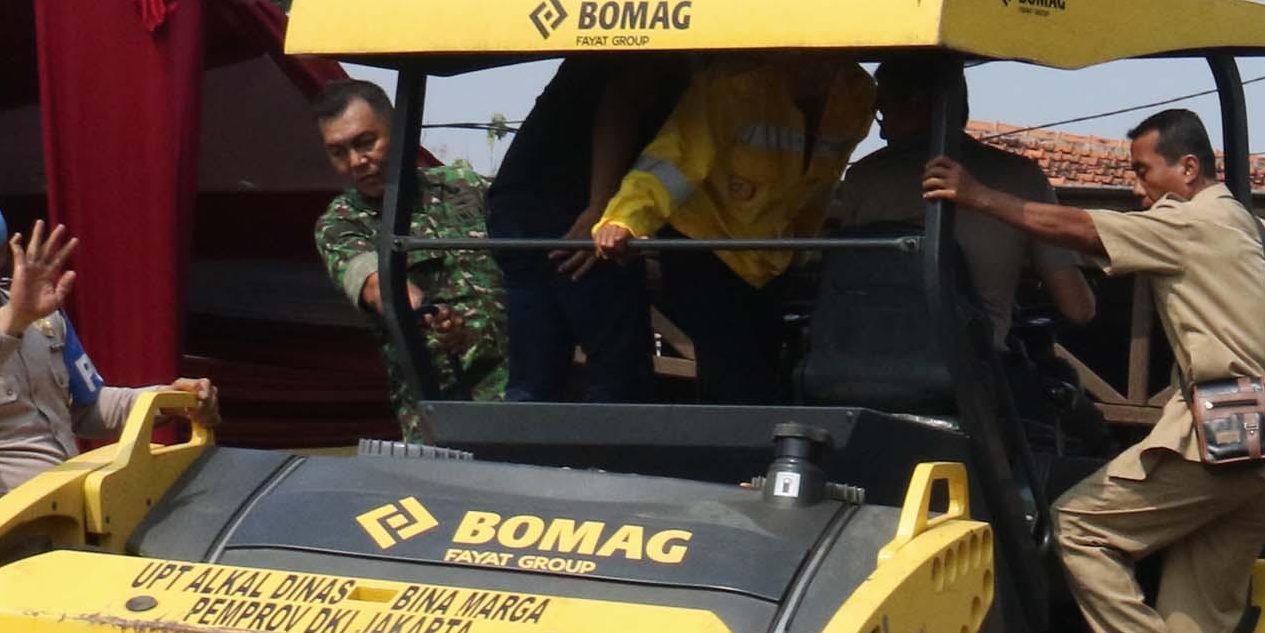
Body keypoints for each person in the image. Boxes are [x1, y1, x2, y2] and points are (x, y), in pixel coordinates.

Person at [925, 108, 1265, 633]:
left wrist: (978, 197)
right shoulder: (1262, 234)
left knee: (1078, 525)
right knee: (1196, 623)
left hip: (1221, 438)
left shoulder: (1192, 221)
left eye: (1142, 171)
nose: (1137, 187)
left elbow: (1081, 229)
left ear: (1187, 169)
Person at [0, 180, 214, 515]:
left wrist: (169, 400)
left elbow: (87, 408)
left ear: (2, 256)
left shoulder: (38, 315)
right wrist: (10, 323)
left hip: (72, 511)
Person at [592, 55, 875, 404]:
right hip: (705, 247)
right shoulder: (734, 84)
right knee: (740, 383)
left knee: (763, 371)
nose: (810, 65)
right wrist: (625, 219)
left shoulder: (857, 94)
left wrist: (801, 245)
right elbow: (675, 158)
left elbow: (822, 180)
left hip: (771, 256)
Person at [829, 56, 1094, 344]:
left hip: (867, 355)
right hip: (972, 363)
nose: (882, 131)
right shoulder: (1023, 177)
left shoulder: (862, 177)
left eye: (884, 113)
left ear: (916, 103)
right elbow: (1078, 308)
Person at [313, 81, 507, 442]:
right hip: (447, 417)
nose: (356, 161)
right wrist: (430, 313)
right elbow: (378, 285)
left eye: (365, 142)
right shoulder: (341, 223)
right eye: (338, 152)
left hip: (528, 392)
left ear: (398, 131)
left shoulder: (462, 185)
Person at [486, 56, 686, 403]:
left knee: (533, 377)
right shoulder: (653, 47)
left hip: (516, 206)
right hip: (574, 210)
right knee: (618, 378)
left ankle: (525, 434)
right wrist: (601, 208)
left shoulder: (586, 56)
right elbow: (624, 99)